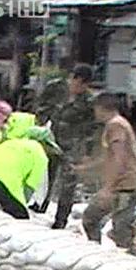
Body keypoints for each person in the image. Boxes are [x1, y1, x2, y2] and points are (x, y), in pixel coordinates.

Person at [33, 63, 100, 226]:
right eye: (78, 83)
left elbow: (92, 128)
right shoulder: (55, 88)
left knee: (68, 184)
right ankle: (39, 207)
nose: (80, 88)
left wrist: (87, 153)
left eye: (85, 85)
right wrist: (39, 129)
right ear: (72, 78)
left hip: (73, 145)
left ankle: (61, 219)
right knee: (45, 176)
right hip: (51, 139)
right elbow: (41, 108)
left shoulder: (89, 101)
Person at [74, 92, 136, 252]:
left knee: (120, 229)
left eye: (95, 109)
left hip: (125, 186)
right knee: (91, 218)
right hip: (122, 185)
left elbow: (119, 157)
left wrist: (108, 189)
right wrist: (85, 167)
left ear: (102, 108)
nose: (95, 113)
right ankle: (97, 252)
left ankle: (131, 261)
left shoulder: (116, 125)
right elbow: (108, 156)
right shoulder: (116, 125)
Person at [0, 126, 62, 219]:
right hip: (6, 183)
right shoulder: (40, 154)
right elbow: (30, 186)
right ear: (44, 143)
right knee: (21, 219)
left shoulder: (11, 142)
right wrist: (21, 204)